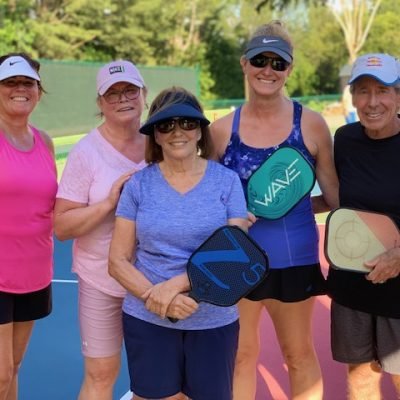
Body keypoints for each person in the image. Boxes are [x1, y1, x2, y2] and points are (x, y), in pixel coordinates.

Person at [210, 20, 339, 400]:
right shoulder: (220, 131)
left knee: (298, 356)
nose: (268, 70)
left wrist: (292, 208)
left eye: (278, 63)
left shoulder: (312, 126)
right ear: (244, 64)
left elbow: (333, 198)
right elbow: (210, 201)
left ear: (290, 69)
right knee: (240, 356)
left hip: (294, 258)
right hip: (237, 260)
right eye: (260, 60)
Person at [108, 86, 249, 400]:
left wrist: (173, 287)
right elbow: (117, 261)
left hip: (214, 320)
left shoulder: (226, 181)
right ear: (155, 136)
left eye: (187, 123)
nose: (177, 132)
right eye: (165, 125)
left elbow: (237, 256)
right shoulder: (138, 186)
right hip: (148, 317)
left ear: (200, 131)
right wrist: (156, 298)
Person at [54, 60, 147, 400]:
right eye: (112, 93)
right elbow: (62, 226)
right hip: (101, 280)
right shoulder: (86, 152)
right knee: (101, 374)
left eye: (129, 90)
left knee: (157, 375)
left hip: (155, 279)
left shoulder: (162, 142)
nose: (122, 99)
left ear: (143, 94)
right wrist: (109, 202)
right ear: (100, 103)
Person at [327, 53, 400, 399]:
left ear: (399, 96)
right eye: (363, 91)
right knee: (360, 375)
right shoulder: (344, 139)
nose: (372, 102)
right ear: (352, 97)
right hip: (352, 281)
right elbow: (336, 197)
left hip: (399, 283)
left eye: (383, 90)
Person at [0, 53, 57, 400]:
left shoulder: (45, 142)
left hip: (34, 272)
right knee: (1, 371)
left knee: (14, 368)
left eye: (27, 83)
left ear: (37, 91)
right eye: (10, 82)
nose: (20, 89)